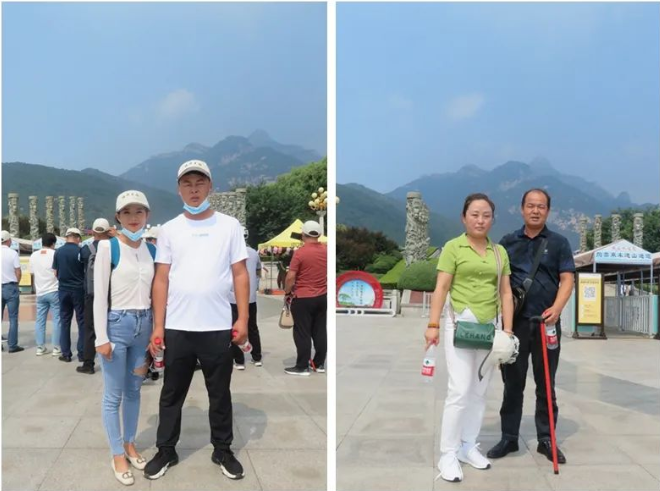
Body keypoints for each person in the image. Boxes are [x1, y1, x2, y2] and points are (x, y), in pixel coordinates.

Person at [144, 160, 249, 481]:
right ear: (179, 189)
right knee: (171, 393)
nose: (194, 189)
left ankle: (223, 449)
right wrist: (158, 325)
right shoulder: (169, 229)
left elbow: (240, 273)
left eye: (199, 183)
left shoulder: (229, 226)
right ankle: (166, 449)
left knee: (220, 393)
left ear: (210, 187)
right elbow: (161, 278)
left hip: (217, 326)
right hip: (178, 326)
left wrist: (243, 318)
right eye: (187, 184)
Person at [425, 193, 514, 483]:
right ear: (464, 218)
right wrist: (433, 324)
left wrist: (508, 331)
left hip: (489, 327)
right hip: (459, 324)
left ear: (492, 219)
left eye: (486, 215)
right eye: (474, 214)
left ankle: (467, 445)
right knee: (460, 390)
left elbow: (506, 293)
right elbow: (441, 288)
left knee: (479, 391)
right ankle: (448, 453)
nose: (480, 220)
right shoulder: (453, 247)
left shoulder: (499, 252)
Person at [487, 189, 575, 464]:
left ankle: (546, 439)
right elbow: (499, 282)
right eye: (530, 206)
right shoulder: (508, 242)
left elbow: (567, 279)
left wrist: (557, 308)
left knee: (546, 383)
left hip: (547, 324)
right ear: (522, 209)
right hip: (515, 325)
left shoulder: (559, 242)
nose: (535, 210)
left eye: (541, 206)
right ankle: (509, 437)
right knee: (512, 383)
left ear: (548, 211)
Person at [94, 191, 156, 485]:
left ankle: (130, 443)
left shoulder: (151, 250)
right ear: (118, 217)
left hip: (144, 326)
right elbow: (98, 296)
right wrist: (101, 337)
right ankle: (117, 452)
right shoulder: (109, 247)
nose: (133, 218)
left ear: (147, 215)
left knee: (134, 390)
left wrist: (157, 331)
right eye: (127, 212)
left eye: (139, 212)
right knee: (113, 395)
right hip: (117, 325)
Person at [283, 220, 327, 376]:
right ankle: (319, 363)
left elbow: (290, 277)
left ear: (303, 234)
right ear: (319, 234)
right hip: (322, 296)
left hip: (303, 297)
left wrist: (287, 292)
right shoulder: (326, 251)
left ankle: (302, 366)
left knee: (302, 332)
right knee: (320, 330)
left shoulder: (300, 253)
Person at [77, 218, 112, 374]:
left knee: (90, 328)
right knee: (112, 327)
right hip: (112, 293)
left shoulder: (86, 249)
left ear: (93, 231)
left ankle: (88, 363)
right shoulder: (114, 246)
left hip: (92, 293)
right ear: (108, 231)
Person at [231, 228, 263, 370]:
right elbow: (258, 270)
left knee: (235, 328)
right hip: (250, 297)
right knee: (252, 327)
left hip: (234, 297)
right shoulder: (254, 253)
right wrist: (255, 284)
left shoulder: (231, 252)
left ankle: (239, 361)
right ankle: (257, 357)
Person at [53, 227, 86, 363]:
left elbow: (55, 272)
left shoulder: (58, 252)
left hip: (63, 290)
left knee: (65, 321)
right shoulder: (81, 251)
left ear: (67, 237)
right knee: (81, 321)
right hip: (78, 289)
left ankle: (66, 353)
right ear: (78, 238)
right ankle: (82, 353)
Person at [28, 233, 61, 356]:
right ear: (53, 243)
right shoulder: (55, 254)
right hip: (54, 290)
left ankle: (40, 347)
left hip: (40, 292)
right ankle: (56, 347)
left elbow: (31, 272)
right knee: (56, 319)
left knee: (40, 320)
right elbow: (58, 272)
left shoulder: (34, 255)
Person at [2, 230, 23, 353]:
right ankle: (12, 345)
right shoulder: (13, 253)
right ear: (8, 240)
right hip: (10, 287)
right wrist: (16, 283)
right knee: (13, 318)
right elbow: (18, 271)